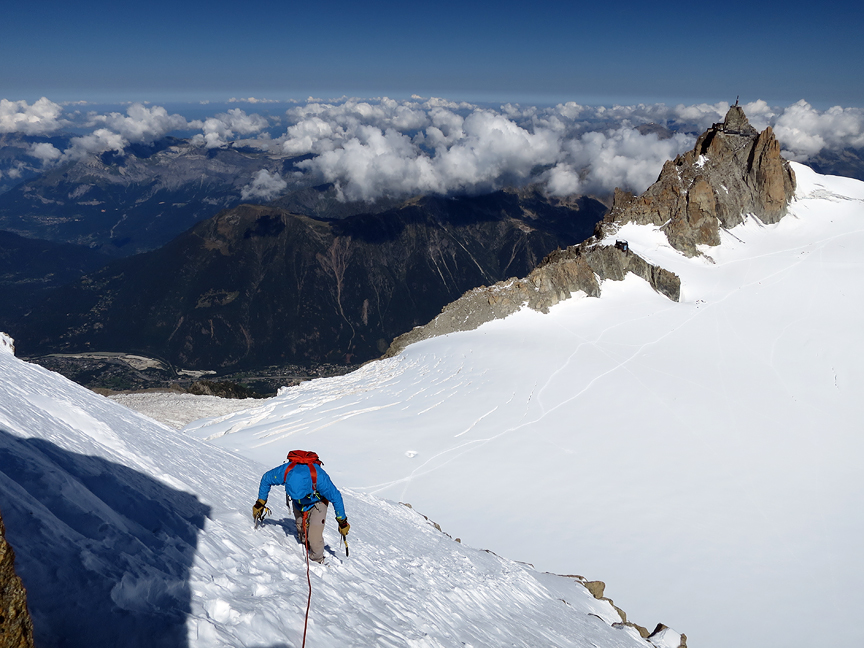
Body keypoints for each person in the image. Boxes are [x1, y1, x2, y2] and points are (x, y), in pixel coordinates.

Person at [253, 450, 349, 563]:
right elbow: (266, 479)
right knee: (301, 529)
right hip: (298, 503)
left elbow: (336, 497)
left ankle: (318, 560)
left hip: (318, 503)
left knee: (314, 537)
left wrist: (342, 521)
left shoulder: (320, 478)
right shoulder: (285, 471)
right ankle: (305, 543)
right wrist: (260, 503)